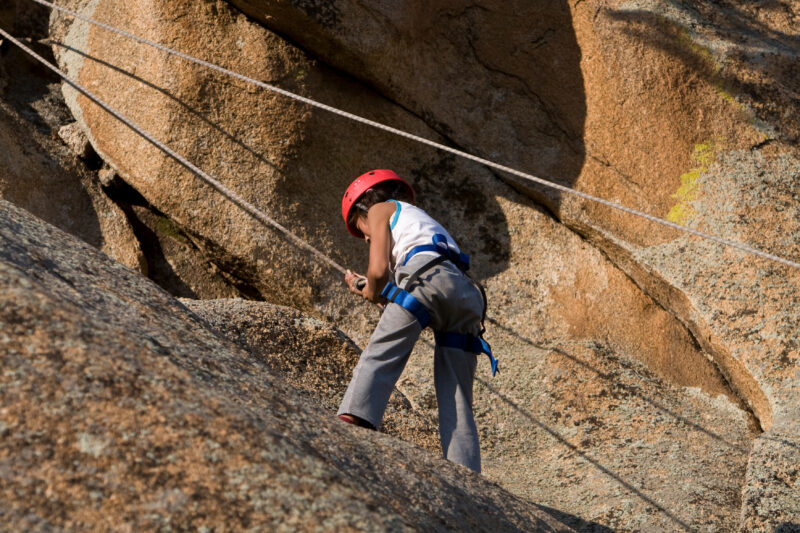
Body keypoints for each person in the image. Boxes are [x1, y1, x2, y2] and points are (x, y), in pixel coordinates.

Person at [337, 169, 497, 473]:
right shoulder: (419, 218)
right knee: (457, 392)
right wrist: (372, 289)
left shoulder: (379, 210)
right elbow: (412, 284)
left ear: (363, 207)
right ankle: (466, 470)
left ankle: (354, 419)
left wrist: (368, 288)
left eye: (362, 230)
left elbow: (379, 269)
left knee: (381, 353)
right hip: (466, 293)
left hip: (424, 279)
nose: (367, 236)